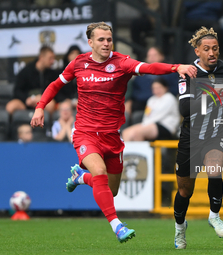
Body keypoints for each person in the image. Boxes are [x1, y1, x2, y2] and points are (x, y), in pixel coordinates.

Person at [30, 22, 196, 243]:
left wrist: (176, 68)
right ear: (90, 42)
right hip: (85, 133)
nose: (106, 43)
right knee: (99, 171)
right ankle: (117, 225)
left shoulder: (121, 62)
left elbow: (149, 68)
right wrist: (40, 106)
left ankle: (80, 177)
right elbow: (55, 84)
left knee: (112, 189)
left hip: (112, 136)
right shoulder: (79, 63)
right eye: (101, 39)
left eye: (109, 39)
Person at [173, 27, 223, 249]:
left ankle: (214, 215)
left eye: (215, 49)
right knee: (184, 191)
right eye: (206, 49)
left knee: (214, 168)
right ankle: (180, 230)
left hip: (217, 132)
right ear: (197, 51)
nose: (212, 53)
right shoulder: (187, 74)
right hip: (191, 137)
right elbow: (184, 108)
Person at [125, 46, 179, 119]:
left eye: (155, 55)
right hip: (141, 105)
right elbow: (134, 92)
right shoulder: (141, 74)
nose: (152, 58)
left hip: (162, 104)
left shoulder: (170, 72)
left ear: (161, 56)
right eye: (149, 55)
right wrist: (129, 102)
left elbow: (176, 89)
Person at [6, 46, 58, 115]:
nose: (52, 61)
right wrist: (26, 99)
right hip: (26, 102)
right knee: (10, 106)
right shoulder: (26, 71)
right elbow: (17, 90)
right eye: (50, 58)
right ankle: (15, 125)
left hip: (42, 102)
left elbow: (55, 91)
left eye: (53, 58)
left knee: (51, 105)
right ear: (41, 58)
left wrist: (42, 97)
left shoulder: (52, 74)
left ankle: (48, 125)